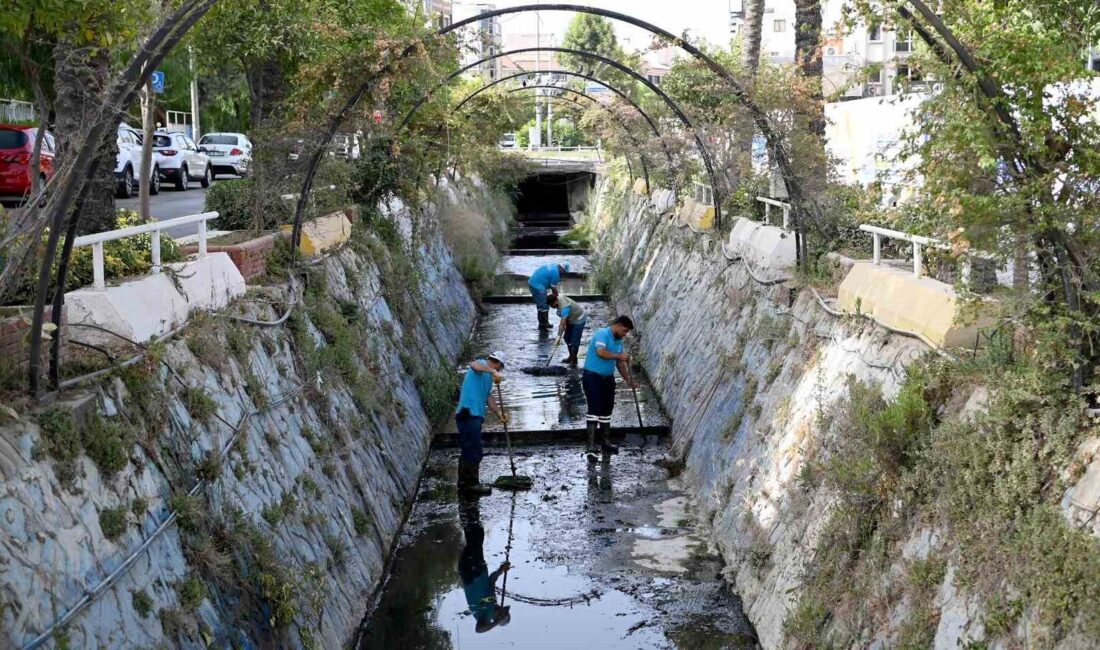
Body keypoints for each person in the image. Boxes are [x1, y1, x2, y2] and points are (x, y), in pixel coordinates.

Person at [581, 316, 637, 459]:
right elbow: (601, 352)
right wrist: (619, 355)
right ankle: (591, 446)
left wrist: (629, 380)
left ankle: (605, 442)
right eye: (624, 331)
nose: (625, 334)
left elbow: (619, 363)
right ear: (618, 326)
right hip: (592, 377)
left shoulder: (618, 341)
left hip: (608, 379)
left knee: (607, 410)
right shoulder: (602, 334)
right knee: (594, 410)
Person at [455, 351, 508, 495]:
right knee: (474, 450)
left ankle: (463, 484)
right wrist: (492, 371)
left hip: (475, 416)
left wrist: (499, 413)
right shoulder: (481, 365)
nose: (499, 371)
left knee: (468, 449)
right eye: (500, 368)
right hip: (468, 414)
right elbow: (474, 365)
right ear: (497, 363)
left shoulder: (488, 377)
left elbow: (488, 396)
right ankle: (472, 484)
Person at [458, 497, 512, 633]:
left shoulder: (484, 617)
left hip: (470, 571)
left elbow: (478, 630)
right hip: (479, 566)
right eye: (504, 609)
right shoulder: (492, 601)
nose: (502, 607)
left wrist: (496, 623)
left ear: (499, 615)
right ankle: (469, 505)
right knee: (476, 534)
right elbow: (492, 580)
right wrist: (501, 570)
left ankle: (466, 505)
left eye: (502, 611)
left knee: (475, 536)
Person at [547, 293, 587, 366]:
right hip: (570, 319)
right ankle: (571, 357)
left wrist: (558, 338)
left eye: (551, 305)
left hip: (579, 319)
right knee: (567, 338)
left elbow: (562, 325)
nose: (551, 307)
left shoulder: (564, 307)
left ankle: (574, 360)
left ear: (555, 301)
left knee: (575, 340)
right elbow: (564, 323)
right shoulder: (558, 298)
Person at [528, 262, 569, 331]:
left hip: (532, 283)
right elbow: (553, 288)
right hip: (538, 286)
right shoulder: (556, 274)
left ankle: (541, 323)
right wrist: (558, 298)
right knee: (544, 305)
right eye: (564, 272)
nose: (564, 274)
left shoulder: (554, 266)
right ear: (562, 269)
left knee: (540, 304)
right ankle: (545, 323)